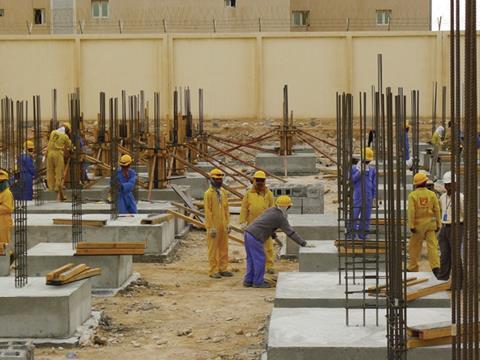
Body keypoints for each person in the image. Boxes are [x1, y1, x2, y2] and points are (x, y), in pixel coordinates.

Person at [243, 196, 307, 288]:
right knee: (260, 259)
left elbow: (265, 222)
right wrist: (303, 243)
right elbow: (290, 232)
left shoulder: (271, 210)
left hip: (248, 232)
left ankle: (248, 280)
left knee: (251, 258)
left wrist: (273, 235)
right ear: (288, 207)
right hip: (255, 236)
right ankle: (257, 282)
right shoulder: (280, 217)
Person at [239, 170, 276, 274]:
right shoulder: (248, 194)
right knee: (253, 247)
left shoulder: (269, 194)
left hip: (266, 225)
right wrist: (242, 221)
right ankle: (255, 266)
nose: (260, 182)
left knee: (268, 246)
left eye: (262, 180)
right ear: (254, 181)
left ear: (265, 181)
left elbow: (272, 208)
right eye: (258, 180)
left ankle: (270, 266)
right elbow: (244, 208)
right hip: (252, 225)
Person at [407, 172, 441, 276]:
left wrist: (411, 226)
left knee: (414, 247)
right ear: (425, 182)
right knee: (432, 246)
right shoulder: (432, 194)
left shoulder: (413, 195)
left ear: (415, 184)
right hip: (430, 225)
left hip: (418, 226)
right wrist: (438, 224)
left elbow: (411, 211)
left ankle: (412, 267)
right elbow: (437, 210)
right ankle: (436, 267)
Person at [204, 168, 232, 279]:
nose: (219, 181)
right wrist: (211, 227)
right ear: (211, 180)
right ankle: (213, 270)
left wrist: (228, 223)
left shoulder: (223, 192)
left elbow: (226, 209)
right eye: (216, 179)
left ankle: (223, 268)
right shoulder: (208, 194)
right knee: (213, 249)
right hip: (214, 225)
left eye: (220, 179)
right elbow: (208, 211)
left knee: (224, 248)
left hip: (223, 224)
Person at [437, 171, 464, 281]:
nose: (447, 186)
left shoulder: (460, 197)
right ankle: (443, 278)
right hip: (444, 228)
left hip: (456, 227)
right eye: (446, 184)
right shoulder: (442, 197)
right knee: (444, 256)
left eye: (450, 184)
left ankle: (458, 281)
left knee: (455, 256)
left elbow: (464, 213)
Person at [350, 147, 376, 240]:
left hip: (368, 197)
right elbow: (351, 180)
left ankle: (363, 235)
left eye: (368, 161)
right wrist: (359, 172)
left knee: (366, 218)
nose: (367, 163)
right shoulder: (354, 168)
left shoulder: (372, 170)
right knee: (354, 215)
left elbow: (374, 184)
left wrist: (374, 197)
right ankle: (351, 235)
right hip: (358, 196)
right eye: (366, 161)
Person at [46, 123, 72, 201]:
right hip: (58, 154)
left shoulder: (53, 132)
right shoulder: (65, 136)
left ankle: (51, 187)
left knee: (50, 171)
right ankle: (58, 187)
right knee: (59, 171)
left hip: (50, 153)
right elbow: (69, 146)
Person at [0, 170, 13, 255]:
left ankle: (8, 257)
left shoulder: (7, 193)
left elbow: (8, 208)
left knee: (4, 241)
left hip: (4, 221)